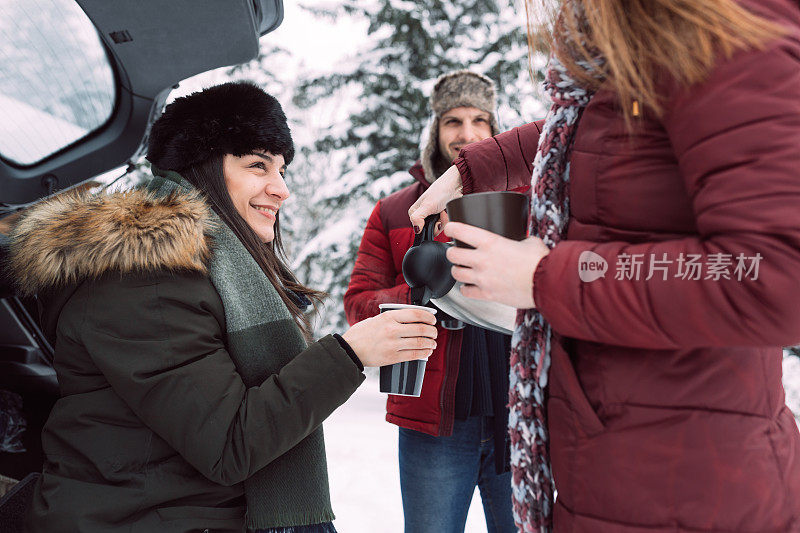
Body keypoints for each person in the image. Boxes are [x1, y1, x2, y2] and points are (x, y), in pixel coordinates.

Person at [409, 0, 800, 531]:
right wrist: (479, 165)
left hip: (690, 485)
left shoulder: (724, 30)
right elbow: (603, 126)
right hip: (616, 465)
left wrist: (546, 278)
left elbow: (772, 275)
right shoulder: (646, 41)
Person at [9, 81, 438, 533]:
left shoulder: (196, 271)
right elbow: (229, 444)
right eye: (258, 166)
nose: (281, 190)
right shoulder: (143, 281)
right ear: (204, 169)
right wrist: (349, 355)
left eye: (282, 170)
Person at [345, 70, 540, 533]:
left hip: (520, 415)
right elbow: (359, 303)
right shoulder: (396, 210)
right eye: (453, 121)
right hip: (433, 422)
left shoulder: (530, 205)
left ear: (497, 133)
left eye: (479, 120)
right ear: (435, 129)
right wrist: (423, 290)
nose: (467, 134)